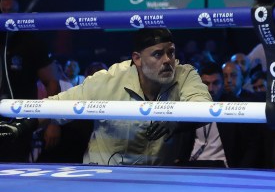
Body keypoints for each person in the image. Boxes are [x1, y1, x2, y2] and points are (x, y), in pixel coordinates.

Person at [0, 28, 210, 166]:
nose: (168, 60)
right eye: (158, 54)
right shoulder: (107, 81)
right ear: (137, 59)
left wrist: (176, 121)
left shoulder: (184, 74)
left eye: (171, 52)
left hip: (157, 180)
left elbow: (203, 107)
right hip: (104, 179)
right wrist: (21, 126)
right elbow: (56, 105)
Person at [0, 0, 61, 161]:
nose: (5, 15)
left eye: (10, 11)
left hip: (18, 123)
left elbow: (52, 82)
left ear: (18, 14)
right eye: (2, 11)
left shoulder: (32, 43)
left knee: (14, 172)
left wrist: (53, 121)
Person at [184, 62, 265, 168]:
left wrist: (241, 172)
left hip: (223, 168)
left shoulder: (235, 106)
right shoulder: (187, 106)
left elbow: (252, 144)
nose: (211, 89)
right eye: (206, 84)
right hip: (192, 165)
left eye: (215, 83)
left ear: (223, 84)